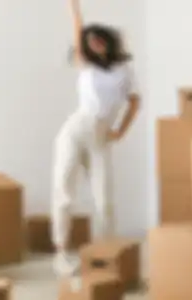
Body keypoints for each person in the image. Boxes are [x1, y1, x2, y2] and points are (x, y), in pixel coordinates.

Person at [51, 0, 140, 276]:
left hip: (101, 134)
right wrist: (74, 8)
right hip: (76, 128)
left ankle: (105, 252)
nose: (94, 44)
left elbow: (135, 102)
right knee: (64, 187)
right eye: (89, 42)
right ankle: (61, 251)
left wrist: (121, 131)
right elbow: (78, 29)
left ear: (107, 41)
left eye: (98, 39)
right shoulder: (85, 65)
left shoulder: (124, 70)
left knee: (104, 198)